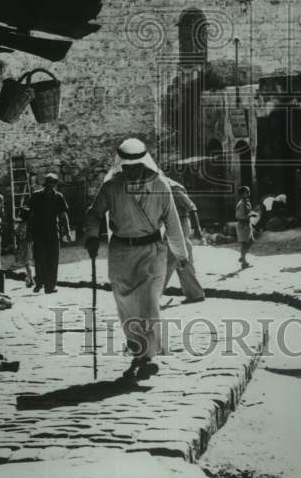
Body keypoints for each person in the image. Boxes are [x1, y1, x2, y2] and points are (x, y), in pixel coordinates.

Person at [84, 138, 188, 381]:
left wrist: (181, 254)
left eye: (136, 166)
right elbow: (94, 213)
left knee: (149, 302)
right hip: (121, 252)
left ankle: (148, 354)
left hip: (152, 251)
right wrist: (90, 236)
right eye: (127, 167)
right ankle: (136, 344)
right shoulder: (112, 187)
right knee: (126, 303)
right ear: (122, 165)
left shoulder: (161, 186)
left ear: (144, 163)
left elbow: (172, 221)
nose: (131, 171)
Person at [24, 173, 71, 293]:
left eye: (53, 183)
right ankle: (39, 282)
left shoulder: (58, 197)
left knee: (53, 259)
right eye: (49, 182)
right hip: (38, 232)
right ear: (45, 183)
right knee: (39, 259)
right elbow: (31, 215)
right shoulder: (36, 196)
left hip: (53, 232)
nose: (51, 185)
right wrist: (29, 232)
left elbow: (63, 215)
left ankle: (50, 286)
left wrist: (67, 231)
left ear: (55, 184)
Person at [162, 178, 205, 304]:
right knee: (184, 261)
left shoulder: (174, 189)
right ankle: (195, 294)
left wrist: (197, 229)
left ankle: (153, 297)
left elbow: (192, 208)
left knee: (166, 260)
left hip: (179, 225)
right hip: (173, 225)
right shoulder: (163, 187)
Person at [235, 185, 254, 268]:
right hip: (242, 225)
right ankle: (244, 262)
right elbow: (239, 216)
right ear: (242, 194)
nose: (249, 193)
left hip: (247, 224)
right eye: (247, 192)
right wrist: (250, 215)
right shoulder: (241, 204)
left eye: (249, 192)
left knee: (251, 241)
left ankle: (242, 257)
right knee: (244, 243)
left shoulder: (247, 202)